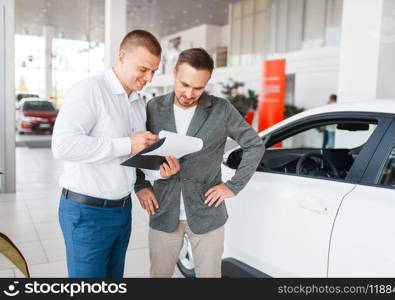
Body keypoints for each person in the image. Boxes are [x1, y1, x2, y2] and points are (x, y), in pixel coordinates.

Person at [52, 30, 180, 278]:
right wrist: (126, 144)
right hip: (87, 212)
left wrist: (160, 170)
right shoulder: (90, 90)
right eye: (143, 69)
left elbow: (132, 159)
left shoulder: (138, 102)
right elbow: (63, 145)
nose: (149, 78)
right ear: (122, 57)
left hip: (122, 210)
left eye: (153, 71)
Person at [135, 48, 265, 278]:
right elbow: (139, 149)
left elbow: (255, 145)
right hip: (163, 210)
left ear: (207, 82)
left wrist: (232, 186)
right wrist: (141, 185)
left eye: (198, 88)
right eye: (184, 84)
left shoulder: (221, 109)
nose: (189, 93)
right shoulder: (153, 108)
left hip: (207, 215)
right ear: (174, 72)